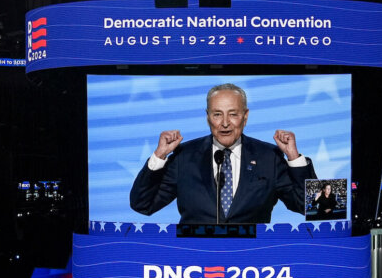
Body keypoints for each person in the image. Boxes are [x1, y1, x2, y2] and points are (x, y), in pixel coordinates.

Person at [129, 83, 316, 224]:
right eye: (217, 114)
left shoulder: (269, 156)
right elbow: (142, 205)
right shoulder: (184, 156)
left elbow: (313, 208)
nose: (225, 123)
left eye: (233, 114)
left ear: (245, 116)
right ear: (207, 116)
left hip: (253, 259)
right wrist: (159, 156)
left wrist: (295, 159)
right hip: (195, 258)